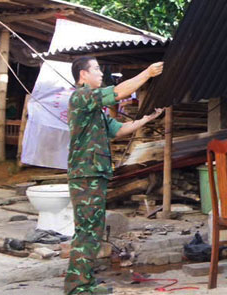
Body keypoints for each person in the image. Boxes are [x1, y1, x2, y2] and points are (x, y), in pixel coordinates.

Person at [65, 58, 164, 295]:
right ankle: (77, 288)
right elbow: (118, 92)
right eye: (97, 69)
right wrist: (147, 73)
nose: (101, 73)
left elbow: (119, 129)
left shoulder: (93, 108)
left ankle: (85, 283)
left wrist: (147, 120)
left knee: (93, 230)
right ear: (83, 75)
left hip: (93, 174)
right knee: (87, 231)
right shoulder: (81, 97)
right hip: (85, 174)